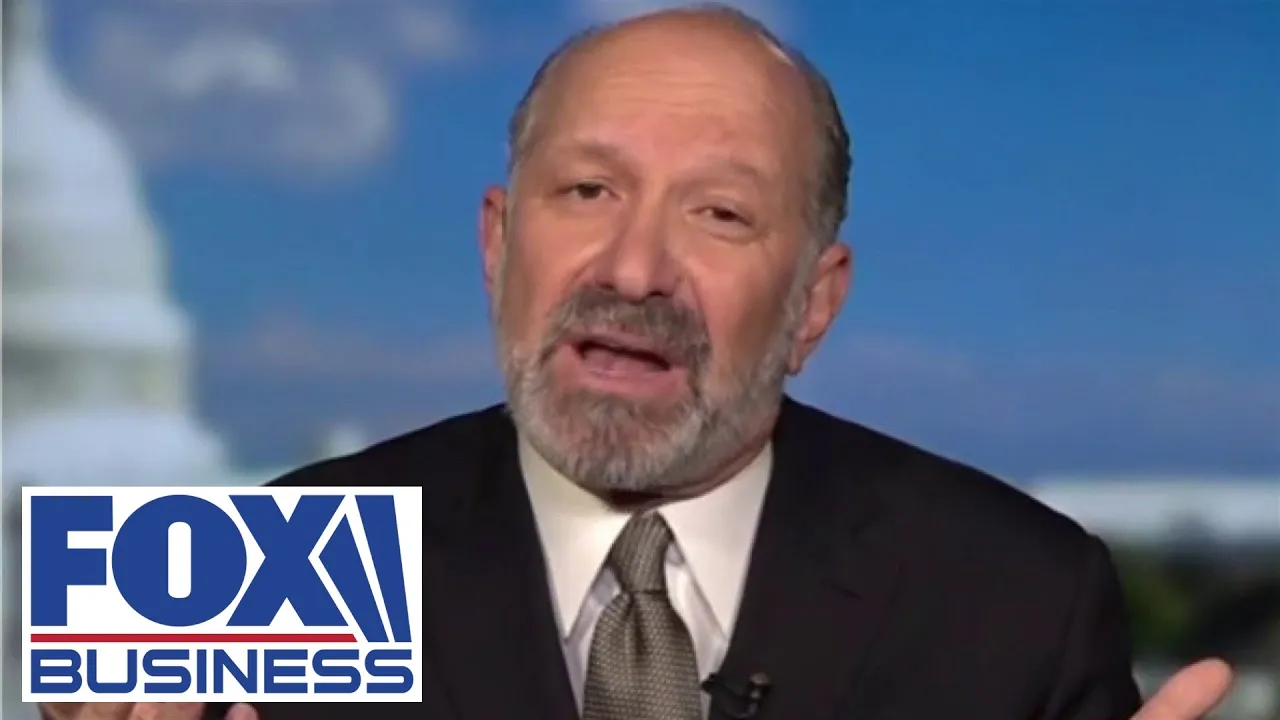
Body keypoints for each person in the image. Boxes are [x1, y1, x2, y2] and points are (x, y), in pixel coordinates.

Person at [42, 5, 1235, 720]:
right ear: (496, 246)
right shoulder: (238, 579)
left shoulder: (1013, 600)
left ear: (813, 304)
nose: (631, 268)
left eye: (719, 214)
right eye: (585, 191)